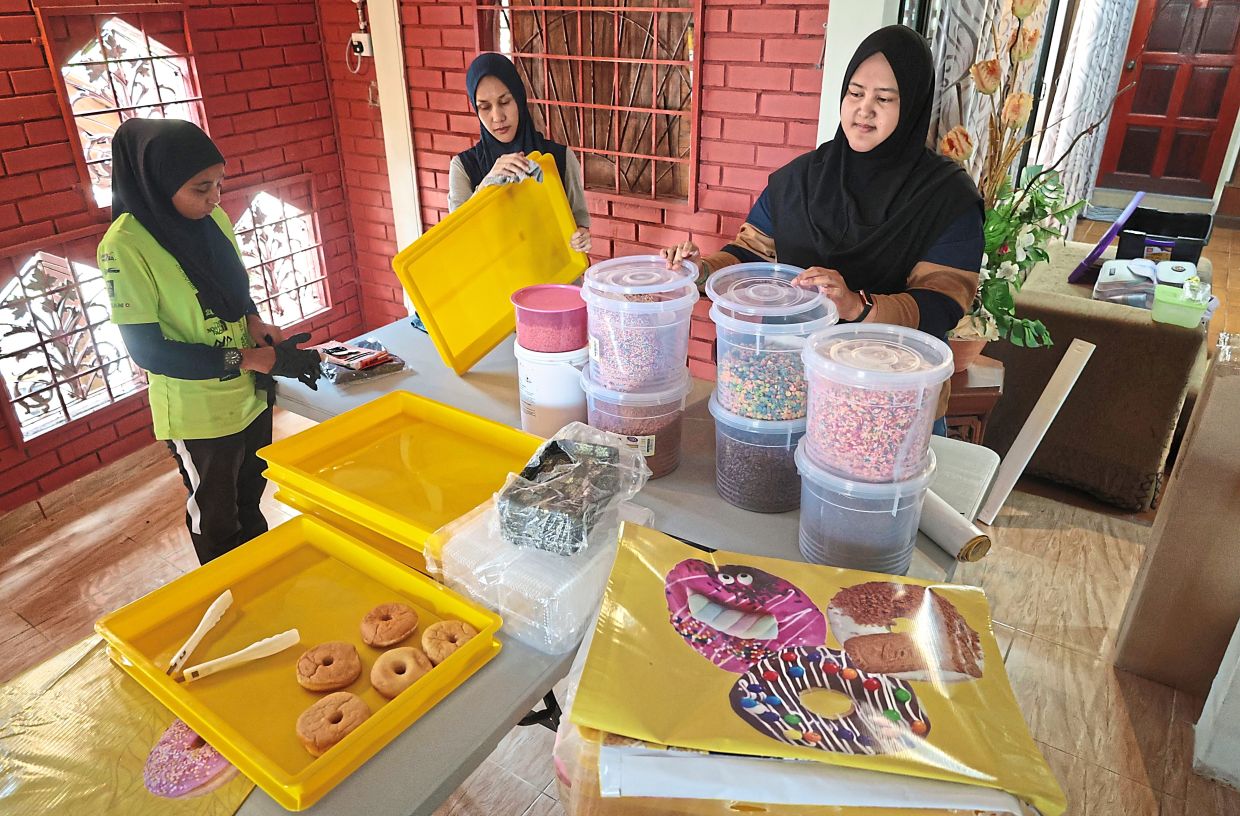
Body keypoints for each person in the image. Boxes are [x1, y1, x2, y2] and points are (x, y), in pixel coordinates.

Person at [662, 25, 981, 434]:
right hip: (793, 389)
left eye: (884, 98)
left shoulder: (945, 197)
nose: (864, 109)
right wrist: (703, 270)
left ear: (914, 106)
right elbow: (752, 253)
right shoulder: (799, 180)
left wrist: (857, 306)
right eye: (855, 92)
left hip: (890, 406)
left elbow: (944, 301)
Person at [100, 119, 323, 565]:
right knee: (217, 518)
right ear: (158, 184)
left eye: (219, 184)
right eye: (201, 188)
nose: (215, 199)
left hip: (248, 397)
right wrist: (249, 358)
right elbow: (149, 352)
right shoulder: (124, 246)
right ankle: (229, 599)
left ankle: (262, 580)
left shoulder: (214, 219)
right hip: (197, 414)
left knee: (250, 497)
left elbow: (231, 290)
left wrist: (255, 321)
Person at [450, 52, 591, 254]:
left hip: (554, 281)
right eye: (485, 107)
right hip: (497, 284)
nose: (497, 117)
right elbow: (458, 241)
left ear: (519, 98)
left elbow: (579, 228)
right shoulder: (464, 167)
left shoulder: (559, 158)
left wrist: (582, 238)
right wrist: (486, 185)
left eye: (505, 101)